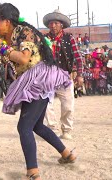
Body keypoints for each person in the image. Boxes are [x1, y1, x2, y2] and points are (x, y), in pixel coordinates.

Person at [0, 3, 76, 179]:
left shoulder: (23, 32)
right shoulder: (8, 34)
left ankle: (33, 171)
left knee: (24, 127)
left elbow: (23, 58)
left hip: (37, 80)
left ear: (6, 21)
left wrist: (2, 47)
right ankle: (67, 154)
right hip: (33, 80)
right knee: (36, 126)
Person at [43, 9, 84, 139]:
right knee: (45, 105)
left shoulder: (69, 38)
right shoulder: (43, 39)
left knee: (68, 105)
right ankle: (52, 129)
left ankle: (66, 130)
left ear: (61, 25)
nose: (53, 25)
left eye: (55, 23)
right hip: (47, 76)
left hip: (64, 76)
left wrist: (80, 74)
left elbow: (78, 57)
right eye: (51, 23)